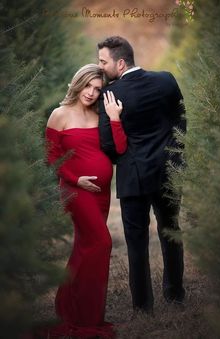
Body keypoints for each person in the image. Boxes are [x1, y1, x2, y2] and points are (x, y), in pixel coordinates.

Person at [97, 36, 186, 315]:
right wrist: (173, 156)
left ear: (120, 63)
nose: (100, 66)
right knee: (171, 232)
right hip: (169, 171)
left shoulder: (110, 95)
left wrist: (121, 158)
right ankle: (175, 295)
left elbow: (108, 145)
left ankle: (142, 306)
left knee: (136, 242)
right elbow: (181, 120)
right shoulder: (166, 80)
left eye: (103, 61)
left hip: (133, 176)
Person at [44, 64, 127, 338]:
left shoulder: (100, 114)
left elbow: (119, 148)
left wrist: (115, 119)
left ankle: (70, 306)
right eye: (88, 86)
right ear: (77, 83)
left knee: (85, 246)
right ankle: (84, 315)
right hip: (75, 191)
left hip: (101, 193)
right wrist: (74, 179)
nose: (91, 93)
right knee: (102, 242)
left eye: (97, 88)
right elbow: (52, 156)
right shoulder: (59, 115)